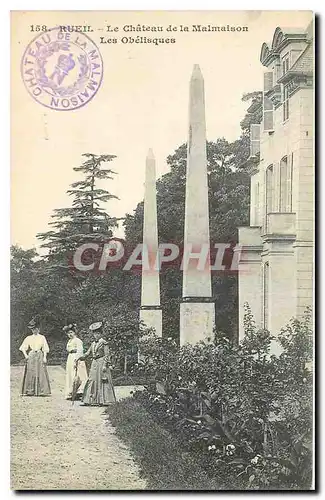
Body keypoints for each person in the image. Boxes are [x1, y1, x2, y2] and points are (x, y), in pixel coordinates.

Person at [76, 321, 116, 406]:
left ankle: (103, 400)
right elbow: (87, 353)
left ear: (101, 334)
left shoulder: (104, 342)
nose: (96, 335)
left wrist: (105, 365)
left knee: (102, 380)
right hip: (94, 363)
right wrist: (80, 357)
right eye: (94, 334)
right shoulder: (93, 343)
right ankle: (89, 400)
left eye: (98, 334)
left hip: (101, 362)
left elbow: (107, 355)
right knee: (91, 380)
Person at [19, 316, 51, 396]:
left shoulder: (42, 337)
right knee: (31, 371)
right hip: (32, 355)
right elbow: (23, 347)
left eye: (36, 329)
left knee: (40, 372)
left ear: (38, 329)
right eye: (33, 329)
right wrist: (26, 355)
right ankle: (30, 390)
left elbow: (45, 348)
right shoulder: (29, 338)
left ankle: (41, 391)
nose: (34, 331)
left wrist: (44, 357)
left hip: (39, 354)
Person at [63, 323, 88, 400]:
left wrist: (77, 359)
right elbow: (68, 349)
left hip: (76, 358)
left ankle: (79, 392)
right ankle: (71, 392)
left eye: (71, 332)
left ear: (74, 332)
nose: (69, 334)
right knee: (70, 374)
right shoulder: (70, 341)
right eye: (68, 333)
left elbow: (80, 351)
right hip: (70, 357)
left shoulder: (78, 340)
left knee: (77, 375)